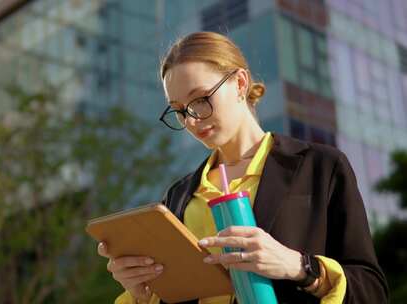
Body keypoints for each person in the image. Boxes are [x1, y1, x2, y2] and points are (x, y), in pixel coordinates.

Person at [97, 31, 388, 304]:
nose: (192, 120)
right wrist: (140, 292)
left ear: (239, 83)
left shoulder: (320, 167)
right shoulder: (178, 196)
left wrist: (299, 266)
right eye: (179, 110)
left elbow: (371, 291)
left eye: (200, 100)